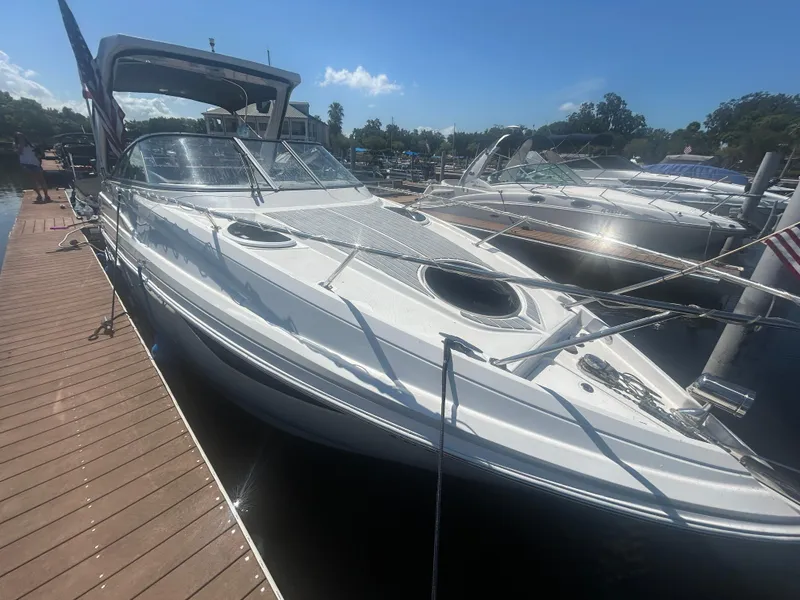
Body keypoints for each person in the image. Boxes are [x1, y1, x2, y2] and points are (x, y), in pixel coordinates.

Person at [14, 132, 50, 202]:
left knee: (41, 180)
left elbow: (38, 152)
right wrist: (21, 144)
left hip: (35, 163)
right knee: (33, 180)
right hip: (25, 164)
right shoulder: (16, 145)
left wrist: (39, 155)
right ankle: (39, 195)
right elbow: (19, 152)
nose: (21, 138)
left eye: (21, 136)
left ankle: (46, 196)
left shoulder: (30, 144)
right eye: (19, 137)